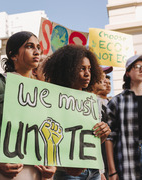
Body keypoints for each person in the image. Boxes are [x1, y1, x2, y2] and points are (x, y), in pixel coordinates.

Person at [0, 31, 56, 180]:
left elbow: (53, 129)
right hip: (12, 170)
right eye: (29, 46)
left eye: (38, 47)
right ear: (13, 55)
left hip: (43, 171)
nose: (37, 51)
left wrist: (53, 165)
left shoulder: (44, 91)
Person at [43, 44, 111, 180]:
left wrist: (103, 133)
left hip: (93, 169)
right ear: (68, 70)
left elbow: (92, 140)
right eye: (82, 69)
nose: (87, 73)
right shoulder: (53, 101)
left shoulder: (93, 102)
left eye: (90, 69)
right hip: (67, 172)